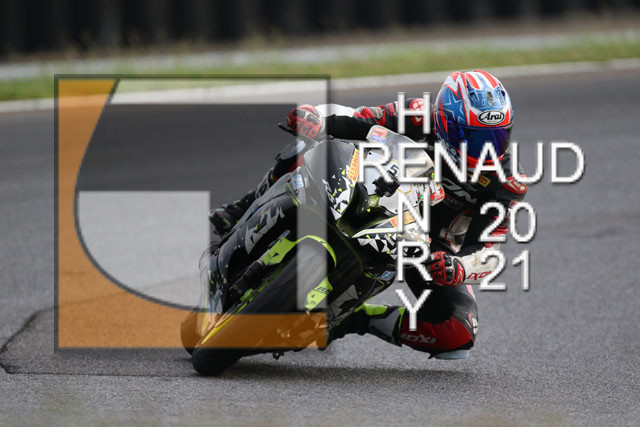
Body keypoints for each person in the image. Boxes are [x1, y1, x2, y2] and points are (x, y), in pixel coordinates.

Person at [210, 70, 527, 359]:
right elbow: (358, 118)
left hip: (429, 245)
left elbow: (488, 250)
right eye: (474, 137)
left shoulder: (508, 181)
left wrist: (458, 267)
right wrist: (315, 118)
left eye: (498, 136)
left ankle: (351, 319)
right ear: (444, 122)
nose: (487, 150)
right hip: (377, 189)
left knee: (458, 332)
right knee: (310, 143)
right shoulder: (416, 114)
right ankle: (244, 207)